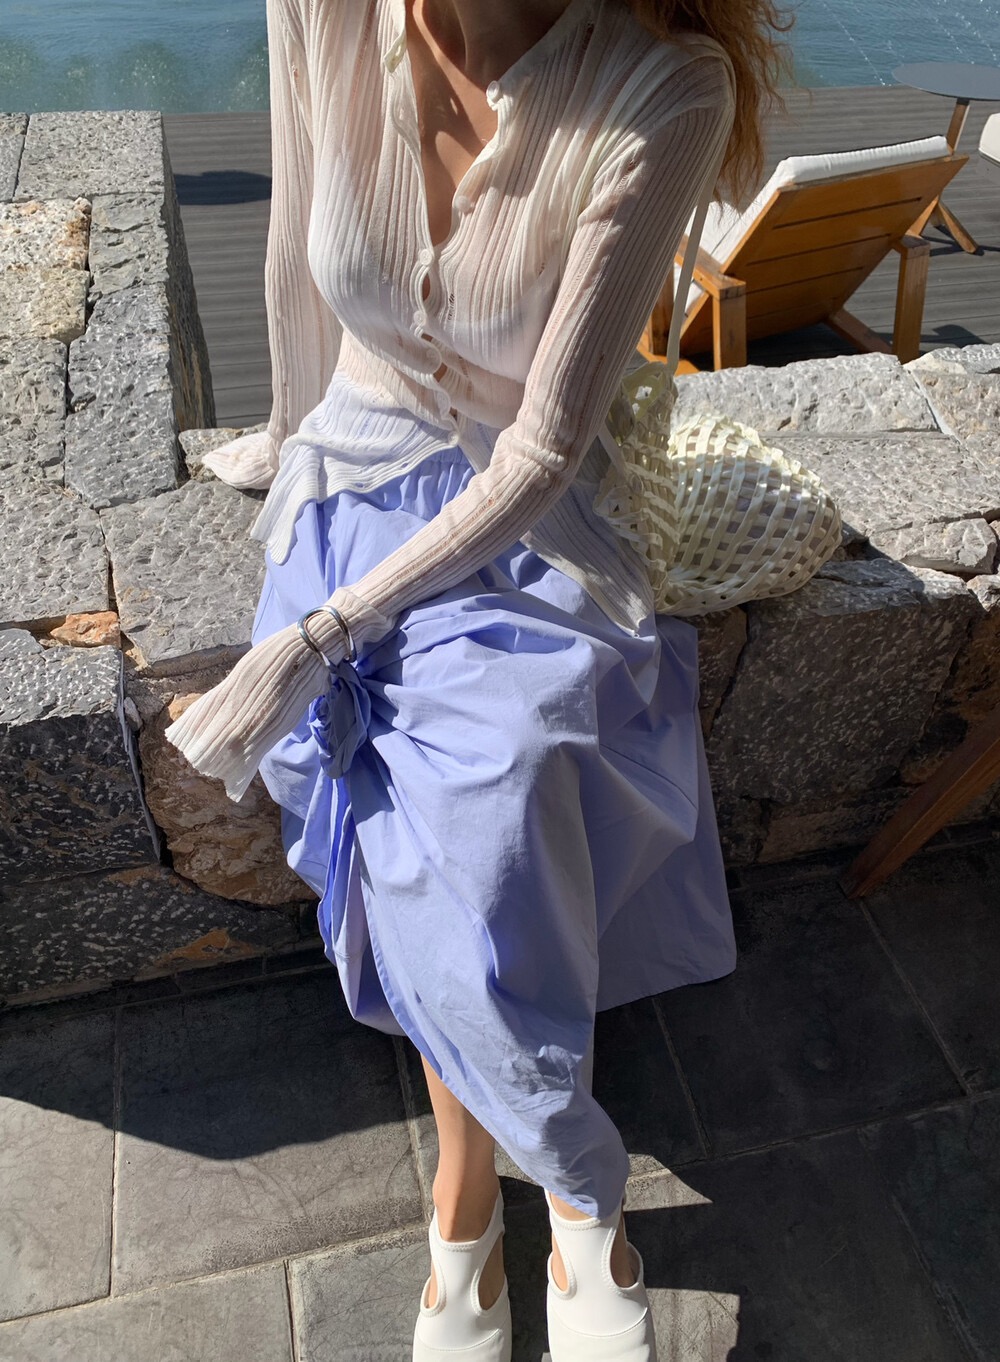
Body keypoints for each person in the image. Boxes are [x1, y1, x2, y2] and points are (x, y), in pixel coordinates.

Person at [166, 1, 790, 1357]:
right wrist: (281, 444)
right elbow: (295, 253)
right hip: (354, 475)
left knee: (498, 794)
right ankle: (548, 1200)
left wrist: (314, 640)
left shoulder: (661, 91)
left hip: (526, 514)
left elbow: (543, 454)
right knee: (419, 806)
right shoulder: (324, 10)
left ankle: (529, 1190)